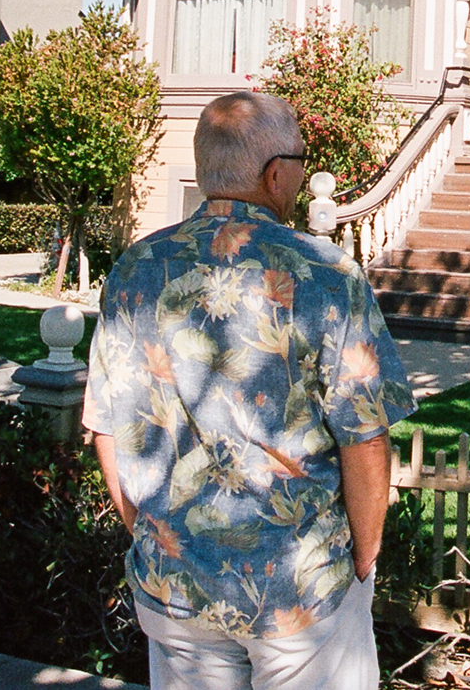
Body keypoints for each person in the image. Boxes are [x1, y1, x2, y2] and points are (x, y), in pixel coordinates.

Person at [84, 91, 415, 690]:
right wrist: (365, 555)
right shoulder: (325, 273)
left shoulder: (134, 269)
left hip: (175, 586)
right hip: (300, 589)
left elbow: (106, 425)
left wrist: (146, 534)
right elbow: (365, 438)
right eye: (301, 160)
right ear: (274, 173)